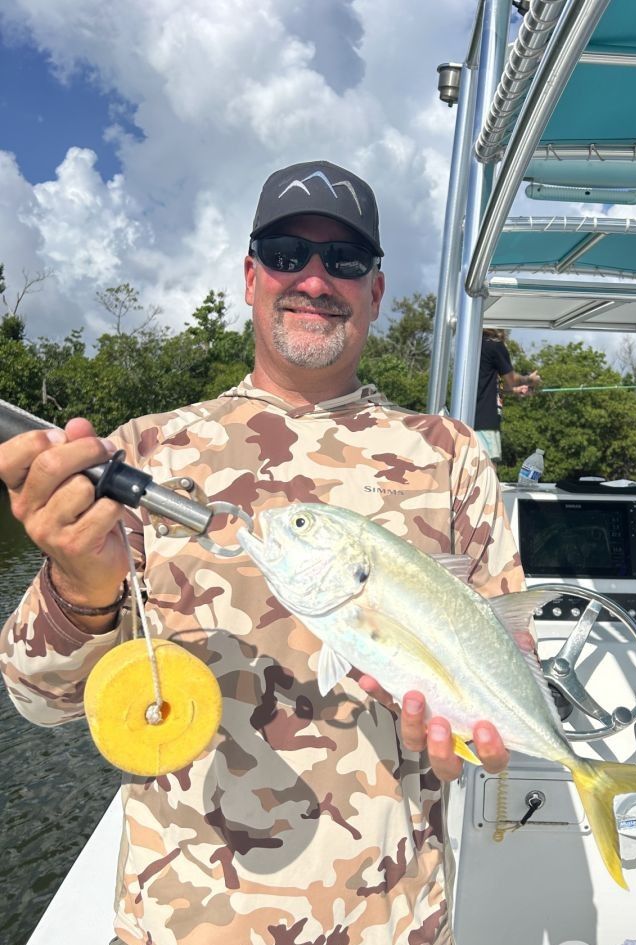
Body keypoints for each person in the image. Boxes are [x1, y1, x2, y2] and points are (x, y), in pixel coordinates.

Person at [0, 160, 526, 945]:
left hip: (394, 920)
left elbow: (505, 661)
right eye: (286, 253)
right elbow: (40, 704)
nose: (314, 279)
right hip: (182, 922)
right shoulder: (146, 450)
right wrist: (80, 585)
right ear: (250, 276)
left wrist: (477, 744)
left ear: (375, 293)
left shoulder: (449, 456)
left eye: (345, 262)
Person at [474, 327, 539, 462]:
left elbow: (486, 385)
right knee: (487, 472)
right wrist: (530, 380)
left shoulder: (473, 345)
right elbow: (512, 380)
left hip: (468, 422)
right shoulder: (495, 346)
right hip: (485, 423)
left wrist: (515, 391)